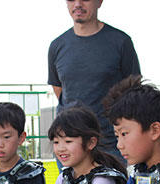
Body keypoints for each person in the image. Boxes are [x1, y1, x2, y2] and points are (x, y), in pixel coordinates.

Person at [48, 0, 140, 161]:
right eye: (71, 0)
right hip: (71, 145)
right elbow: (59, 89)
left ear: (99, 2)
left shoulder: (120, 42)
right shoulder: (57, 46)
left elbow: (133, 91)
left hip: (111, 145)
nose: (77, 4)